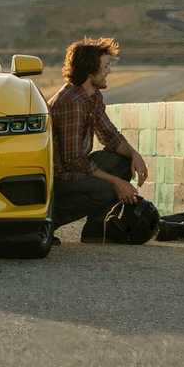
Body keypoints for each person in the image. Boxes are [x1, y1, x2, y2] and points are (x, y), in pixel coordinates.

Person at [47, 37, 149, 242]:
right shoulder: (71, 102)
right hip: (58, 178)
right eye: (105, 66)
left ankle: (95, 231)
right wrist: (117, 182)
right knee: (108, 189)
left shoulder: (92, 96)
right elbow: (73, 160)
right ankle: (48, 223)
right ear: (89, 70)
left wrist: (134, 155)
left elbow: (110, 136)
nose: (109, 71)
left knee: (122, 161)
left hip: (75, 169)